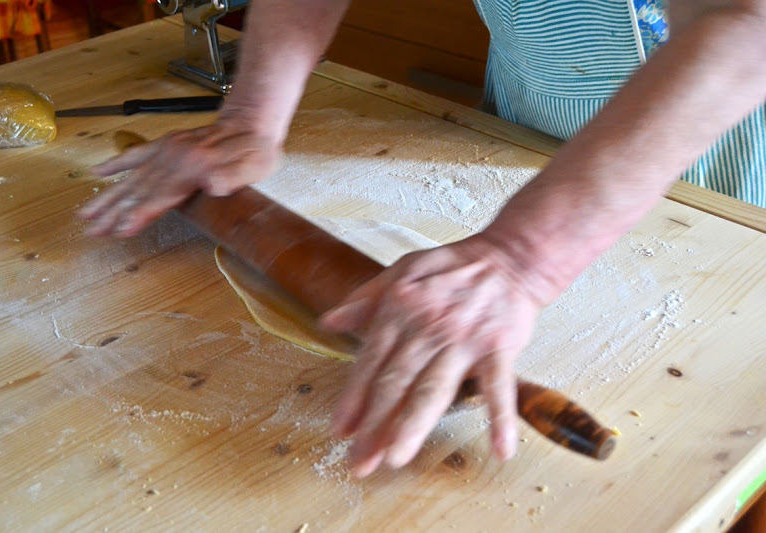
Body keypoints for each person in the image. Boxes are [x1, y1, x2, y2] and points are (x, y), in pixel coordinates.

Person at [79, 0, 766, 479]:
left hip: (724, 159)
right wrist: (252, 116)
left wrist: (522, 256)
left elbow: (743, 23)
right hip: (526, 126)